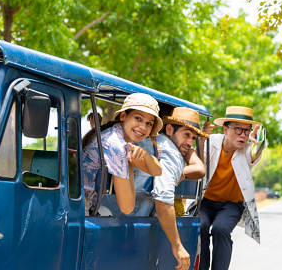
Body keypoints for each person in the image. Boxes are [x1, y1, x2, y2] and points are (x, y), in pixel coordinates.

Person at [195, 106, 264, 270]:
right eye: (238, 129)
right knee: (201, 226)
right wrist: (202, 138)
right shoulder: (211, 142)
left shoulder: (248, 149)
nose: (243, 135)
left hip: (231, 205)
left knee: (221, 229)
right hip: (206, 201)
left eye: (247, 131)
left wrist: (259, 141)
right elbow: (196, 160)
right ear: (225, 129)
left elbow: (256, 152)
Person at [147, 107, 209, 270]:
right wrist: (177, 246)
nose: (190, 141)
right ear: (169, 129)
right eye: (186, 134)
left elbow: (200, 169)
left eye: (193, 137)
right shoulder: (171, 153)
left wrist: (181, 173)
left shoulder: (161, 142)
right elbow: (163, 199)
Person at [82, 93, 163, 215]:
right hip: (81, 208)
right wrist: (129, 165)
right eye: (138, 118)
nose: (142, 127)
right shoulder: (116, 146)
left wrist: (145, 155)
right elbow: (127, 208)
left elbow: (157, 171)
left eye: (149, 123)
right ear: (123, 116)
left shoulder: (115, 135)